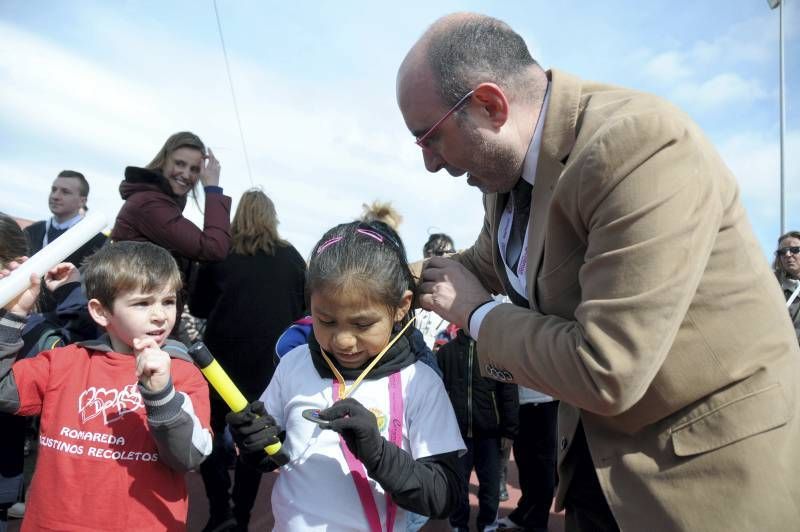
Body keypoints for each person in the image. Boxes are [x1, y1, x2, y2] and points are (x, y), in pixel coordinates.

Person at [397, 13, 800, 531]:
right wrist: (368, 274)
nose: (429, 163)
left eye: (428, 137)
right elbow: (482, 263)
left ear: (491, 105)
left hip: (703, 479)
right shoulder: (508, 173)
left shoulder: (636, 145)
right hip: (598, 465)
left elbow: (607, 368)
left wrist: (477, 315)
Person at [226, 221, 465, 531]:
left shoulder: (419, 383)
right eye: (325, 321)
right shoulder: (294, 364)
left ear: (401, 307)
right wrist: (253, 444)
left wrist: (377, 453)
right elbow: (273, 457)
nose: (343, 341)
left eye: (362, 325)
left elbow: (444, 495)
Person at [0, 241, 212, 531]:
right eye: (142, 303)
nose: (160, 315)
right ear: (101, 312)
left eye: (168, 301)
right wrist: (13, 315)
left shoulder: (182, 373)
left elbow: (186, 456)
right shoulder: (64, 362)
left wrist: (160, 394)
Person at [190, 188, 306, 532]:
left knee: (210, 436)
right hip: (267, 367)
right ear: (273, 218)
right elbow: (303, 311)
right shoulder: (292, 259)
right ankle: (240, 515)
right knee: (254, 441)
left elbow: (197, 307)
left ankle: (218, 510)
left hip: (219, 363)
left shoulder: (221, 255)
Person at [110, 131, 231, 323]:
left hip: (143, 317)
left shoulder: (161, 202)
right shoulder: (151, 204)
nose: (186, 174)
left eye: (194, 169)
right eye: (180, 164)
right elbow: (213, 247)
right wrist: (213, 188)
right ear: (164, 160)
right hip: (136, 321)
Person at [437, 328, 518, 532]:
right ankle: (458, 525)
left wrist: (509, 431)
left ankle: (488, 524)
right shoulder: (447, 353)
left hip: (490, 434)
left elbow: (508, 392)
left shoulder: (496, 354)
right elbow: (436, 393)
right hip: (457, 434)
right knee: (458, 483)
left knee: (490, 485)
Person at [24, 170, 107, 310]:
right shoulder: (32, 231)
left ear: (82, 200)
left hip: (65, 318)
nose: (55, 196)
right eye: (54, 189)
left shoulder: (97, 241)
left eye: (65, 192)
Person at [417, 233, 455, 350]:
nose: (446, 256)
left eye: (451, 252)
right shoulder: (414, 292)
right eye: (440, 253)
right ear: (428, 255)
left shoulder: (460, 295)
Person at [773, 231, 800, 343]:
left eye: (795, 250)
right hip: (782, 354)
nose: (788, 254)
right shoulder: (772, 284)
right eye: (782, 252)